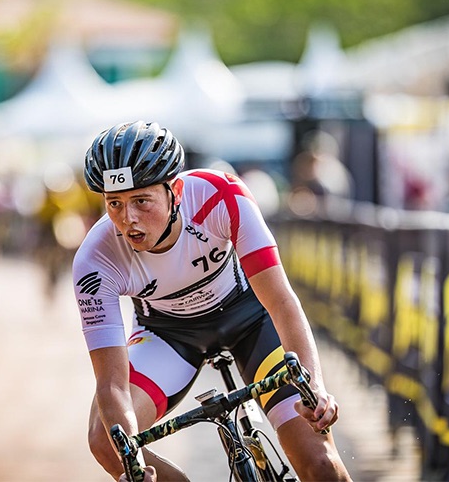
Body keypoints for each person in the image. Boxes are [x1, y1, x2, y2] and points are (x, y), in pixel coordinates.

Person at [72, 121, 351, 481]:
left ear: (175, 190)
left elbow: (281, 301)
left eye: (142, 200)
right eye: (115, 204)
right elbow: (111, 384)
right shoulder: (96, 260)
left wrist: (314, 388)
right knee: (105, 440)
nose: (129, 219)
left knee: (321, 464)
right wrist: (132, 463)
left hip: (250, 318)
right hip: (169, 336)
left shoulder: (221, 195)